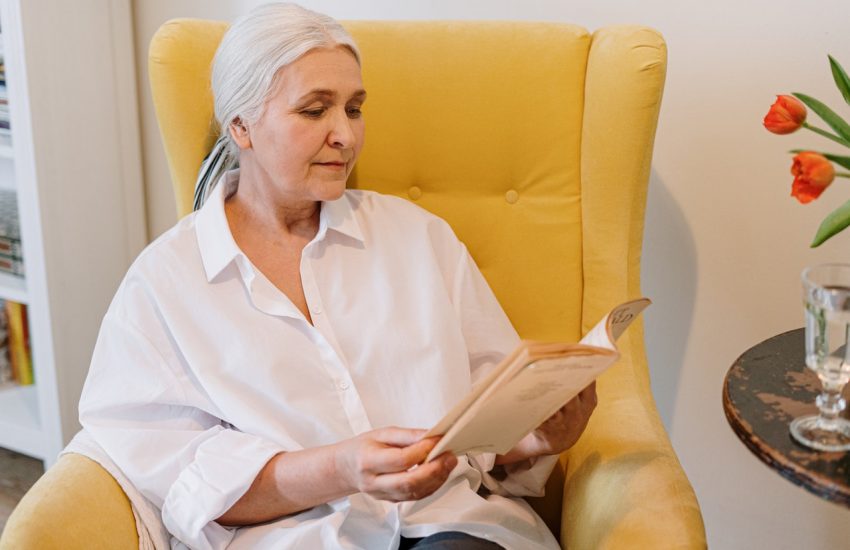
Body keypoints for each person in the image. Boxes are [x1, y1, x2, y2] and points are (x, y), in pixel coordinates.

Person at [78, 3, 597, 549]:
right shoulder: (167, 283)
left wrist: (537, 436)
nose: (345, 135)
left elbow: (482, 419)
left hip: (449, 528)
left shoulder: (418, 239)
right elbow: (179, 479)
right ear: (241, 125)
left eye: (353, 108)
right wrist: (340, 469)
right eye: (314, 110)